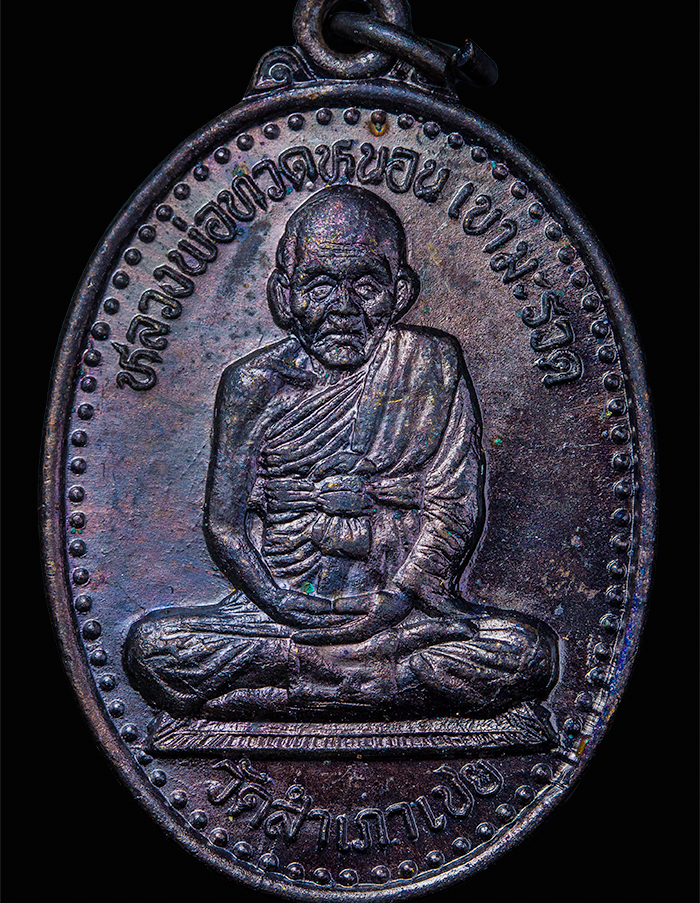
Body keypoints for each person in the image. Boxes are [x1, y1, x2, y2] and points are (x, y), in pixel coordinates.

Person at [124, 185, 558, 721]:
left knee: (526, 653)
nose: (343, 309)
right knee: (154, 648)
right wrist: (278, 600)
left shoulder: (431, 363)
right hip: (282, 614)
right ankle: (372, 685)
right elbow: (225, 527)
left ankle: (300, 688)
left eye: (366, 285)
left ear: (400, 291)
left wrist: (397, 599)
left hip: (401, 611)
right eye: (320, 285)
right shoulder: (252, 384)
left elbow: (454, 504)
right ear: (284, 295)